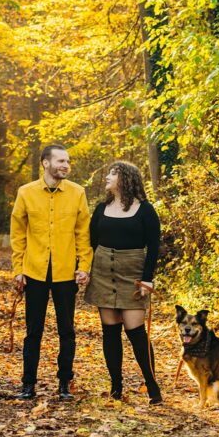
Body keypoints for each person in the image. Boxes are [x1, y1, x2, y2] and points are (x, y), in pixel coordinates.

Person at [9, 144, 92, 400]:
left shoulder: (78, 193)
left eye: (67, 161)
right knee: (33, 331)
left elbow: (83, 233)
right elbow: (18, 234)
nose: (65, 165)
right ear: (45, 163)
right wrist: (18, 270)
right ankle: (28, 384)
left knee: (67, 330)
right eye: (60, 161)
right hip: (34, 272)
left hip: (66, 274)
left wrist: (84, 266)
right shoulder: (26, 193)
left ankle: (65, 383)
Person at [85, 161, 163, 404]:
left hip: (133, 274)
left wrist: (148, 279)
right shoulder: (101, 208)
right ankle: (116, 386)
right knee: (110, 331)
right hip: (103, 272)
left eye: (112, 173)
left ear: (126, 179)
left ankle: (153, 387)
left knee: (135, 331)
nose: (107, 176)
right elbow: (92, 241)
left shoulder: (146, 210)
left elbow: (153, 247)